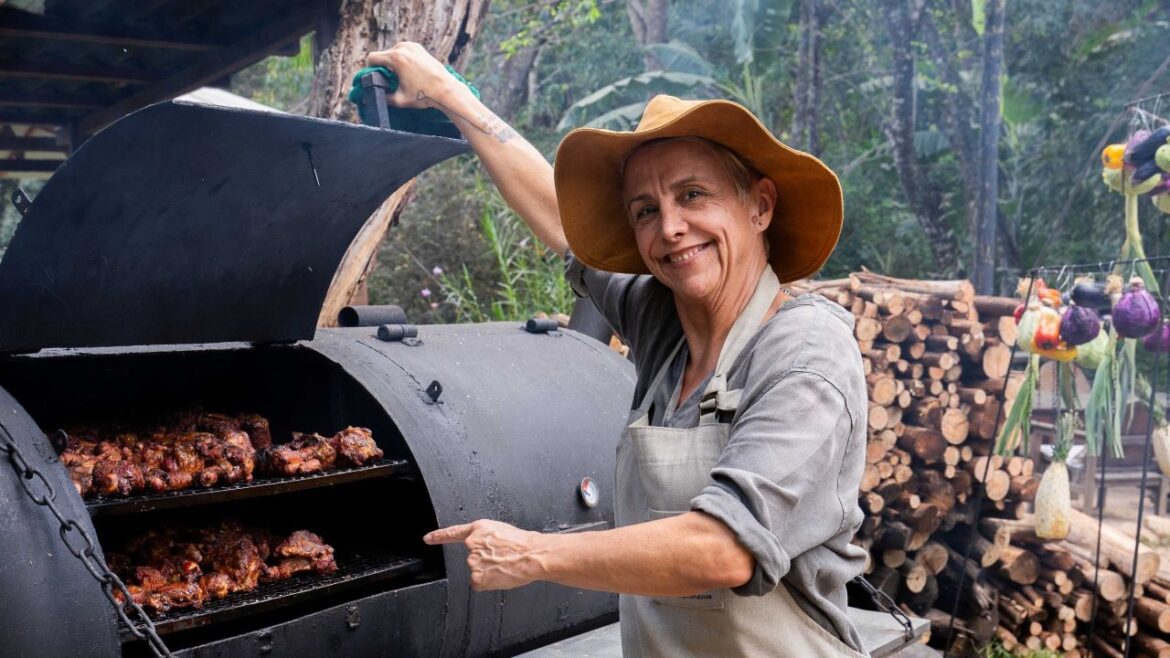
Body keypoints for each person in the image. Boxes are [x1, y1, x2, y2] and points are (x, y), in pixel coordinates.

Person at [367, 42, 870, 657]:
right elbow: (560, 222)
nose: (671, 228)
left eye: (693, 196)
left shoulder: (806, 351)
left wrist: (531, 553)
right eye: (645, 211)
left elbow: (724, 548)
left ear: (759, 205)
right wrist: (450, 96)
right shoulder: (665, 320)